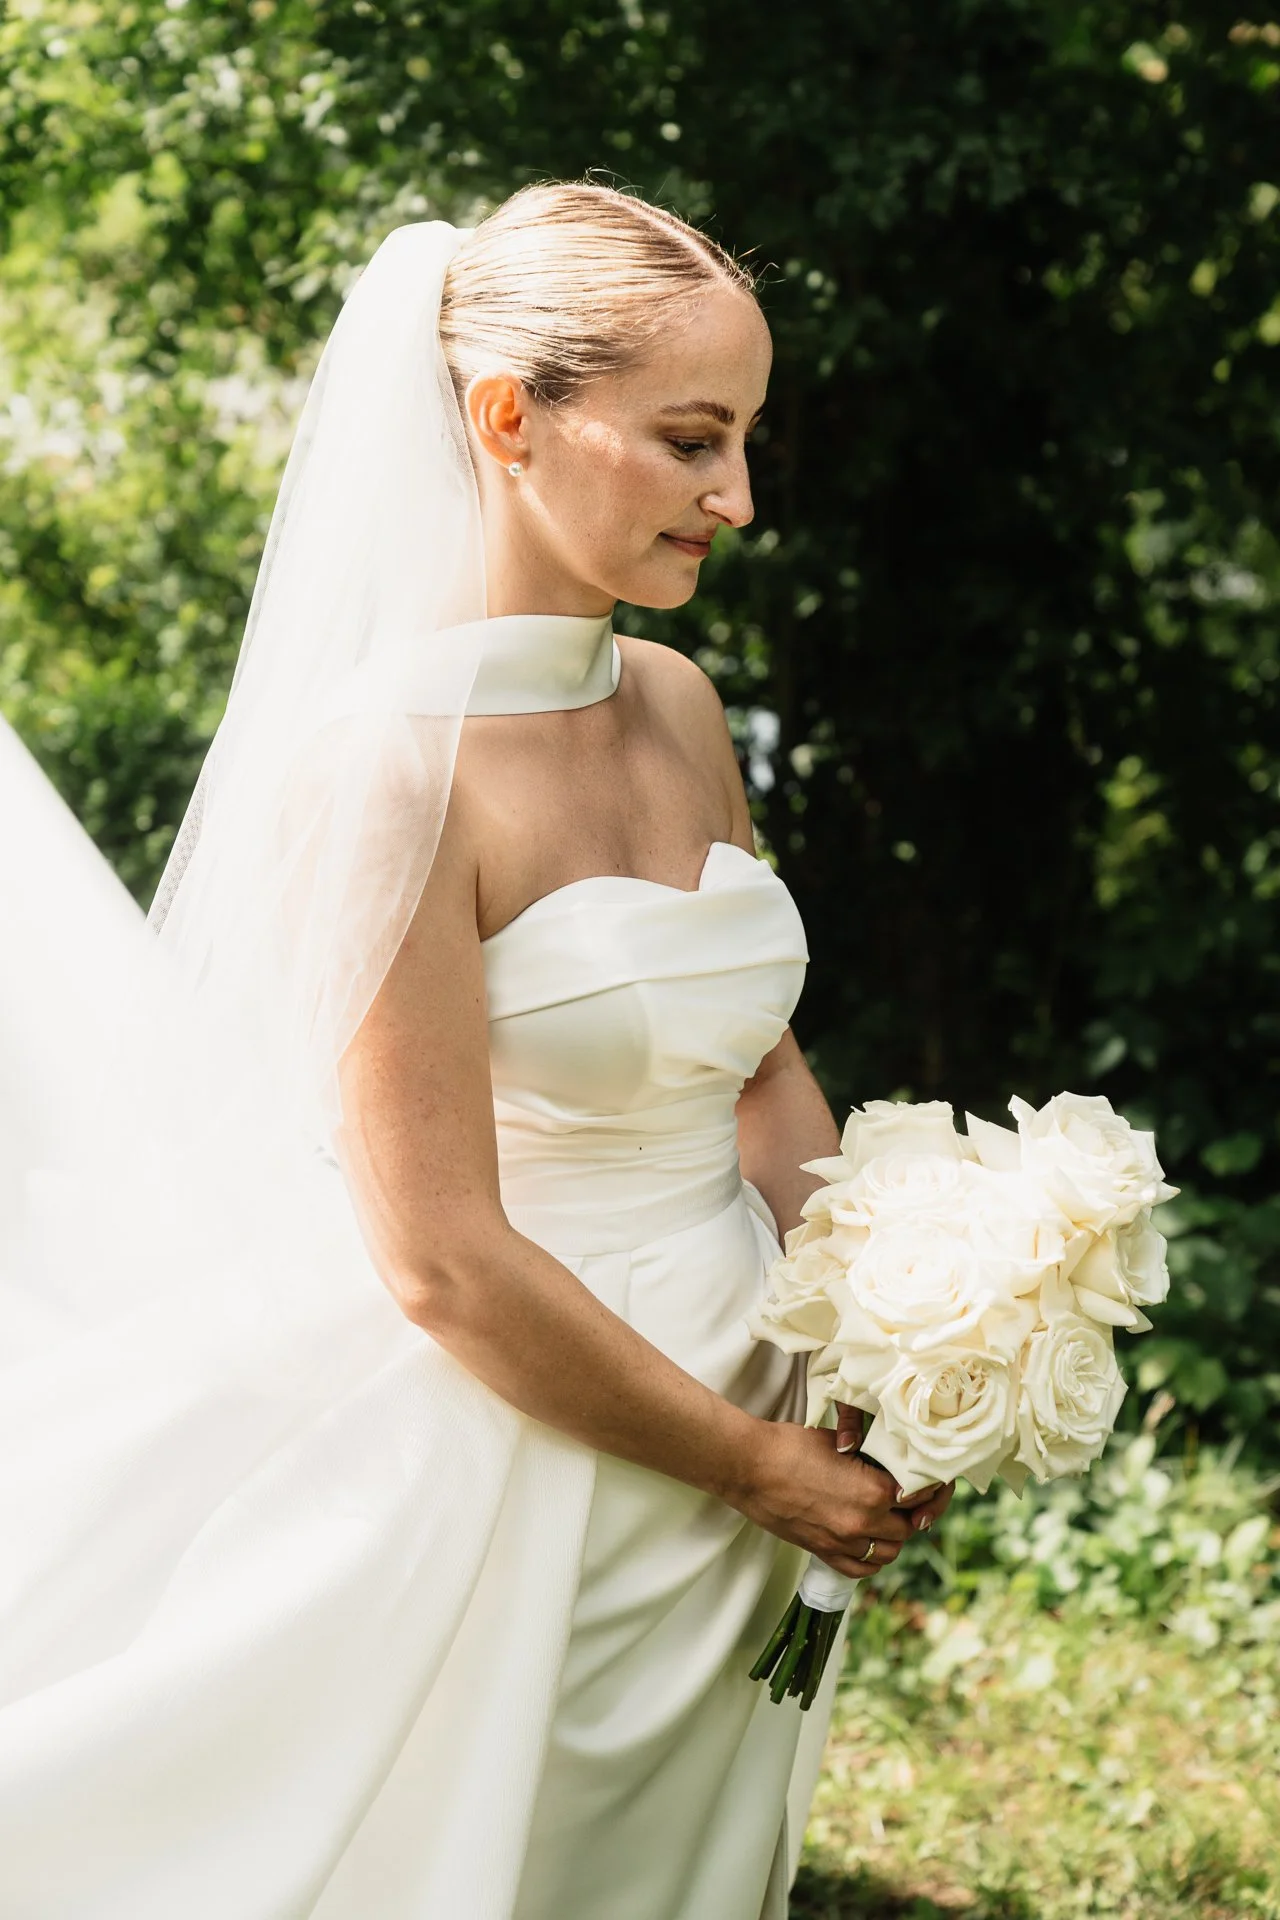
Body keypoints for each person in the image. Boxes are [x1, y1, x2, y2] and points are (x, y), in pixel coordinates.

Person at [0, 180, 952, 1919]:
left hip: (755, 1408)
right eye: (689, 439)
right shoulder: (386, 777)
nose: (739, 497)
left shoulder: (671, 703)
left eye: (743, 438)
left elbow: (758, 1069)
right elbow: (438, 1255)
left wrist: (905, 1338)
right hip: (546, 1448)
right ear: (511, 419)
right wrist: (746, 1464)